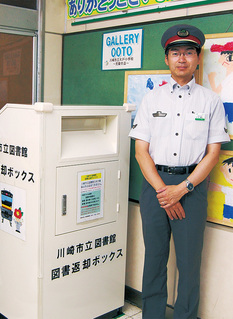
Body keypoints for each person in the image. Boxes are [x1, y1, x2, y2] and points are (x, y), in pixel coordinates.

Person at [129, 24, 230, 319]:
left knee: (188, 264)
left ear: (198, 58)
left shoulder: (210, 101)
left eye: (188, 52)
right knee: (155, 260)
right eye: (175, 53)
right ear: (167, 59)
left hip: (192, 188)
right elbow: (140, 151)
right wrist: (164, 191)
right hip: (155, 188)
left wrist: (182, 189)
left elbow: (213, 154)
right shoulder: (152, 99)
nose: (182, 58)